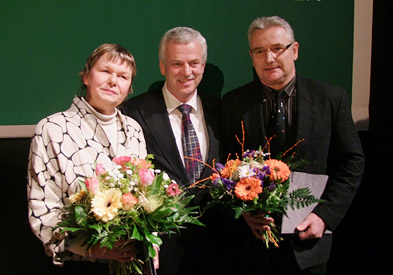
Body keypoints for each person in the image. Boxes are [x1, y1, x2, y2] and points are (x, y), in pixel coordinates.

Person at [221, 16, 365, 274]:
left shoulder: (331, 99)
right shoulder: (233, 104)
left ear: (294, 50)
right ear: (251, 56)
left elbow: (352, 162)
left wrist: (325, 216)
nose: (269, 58)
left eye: (277, 48)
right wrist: (242, 212)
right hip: (250, 248)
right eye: (259, 51)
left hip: (309, 244)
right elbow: (224, 165)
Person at [27, 44, 149, 273]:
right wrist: (92, 249)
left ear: (129, 88)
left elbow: (144, 197)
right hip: (79, 265)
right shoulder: (52, 129)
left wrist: (150, 244)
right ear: (86, 77)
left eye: (123, 76)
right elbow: (42, 209)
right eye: (105, 71)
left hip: (131, 261)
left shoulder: (134, 130)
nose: (113, 81)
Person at [121, 27, 222, 275]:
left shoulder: (222, 110)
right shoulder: (133, 113)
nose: (186, 72)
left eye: (194, 63)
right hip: (162, 252)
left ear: (203, 66)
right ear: (162, 67)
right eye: (177, 63)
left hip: (218, 248)